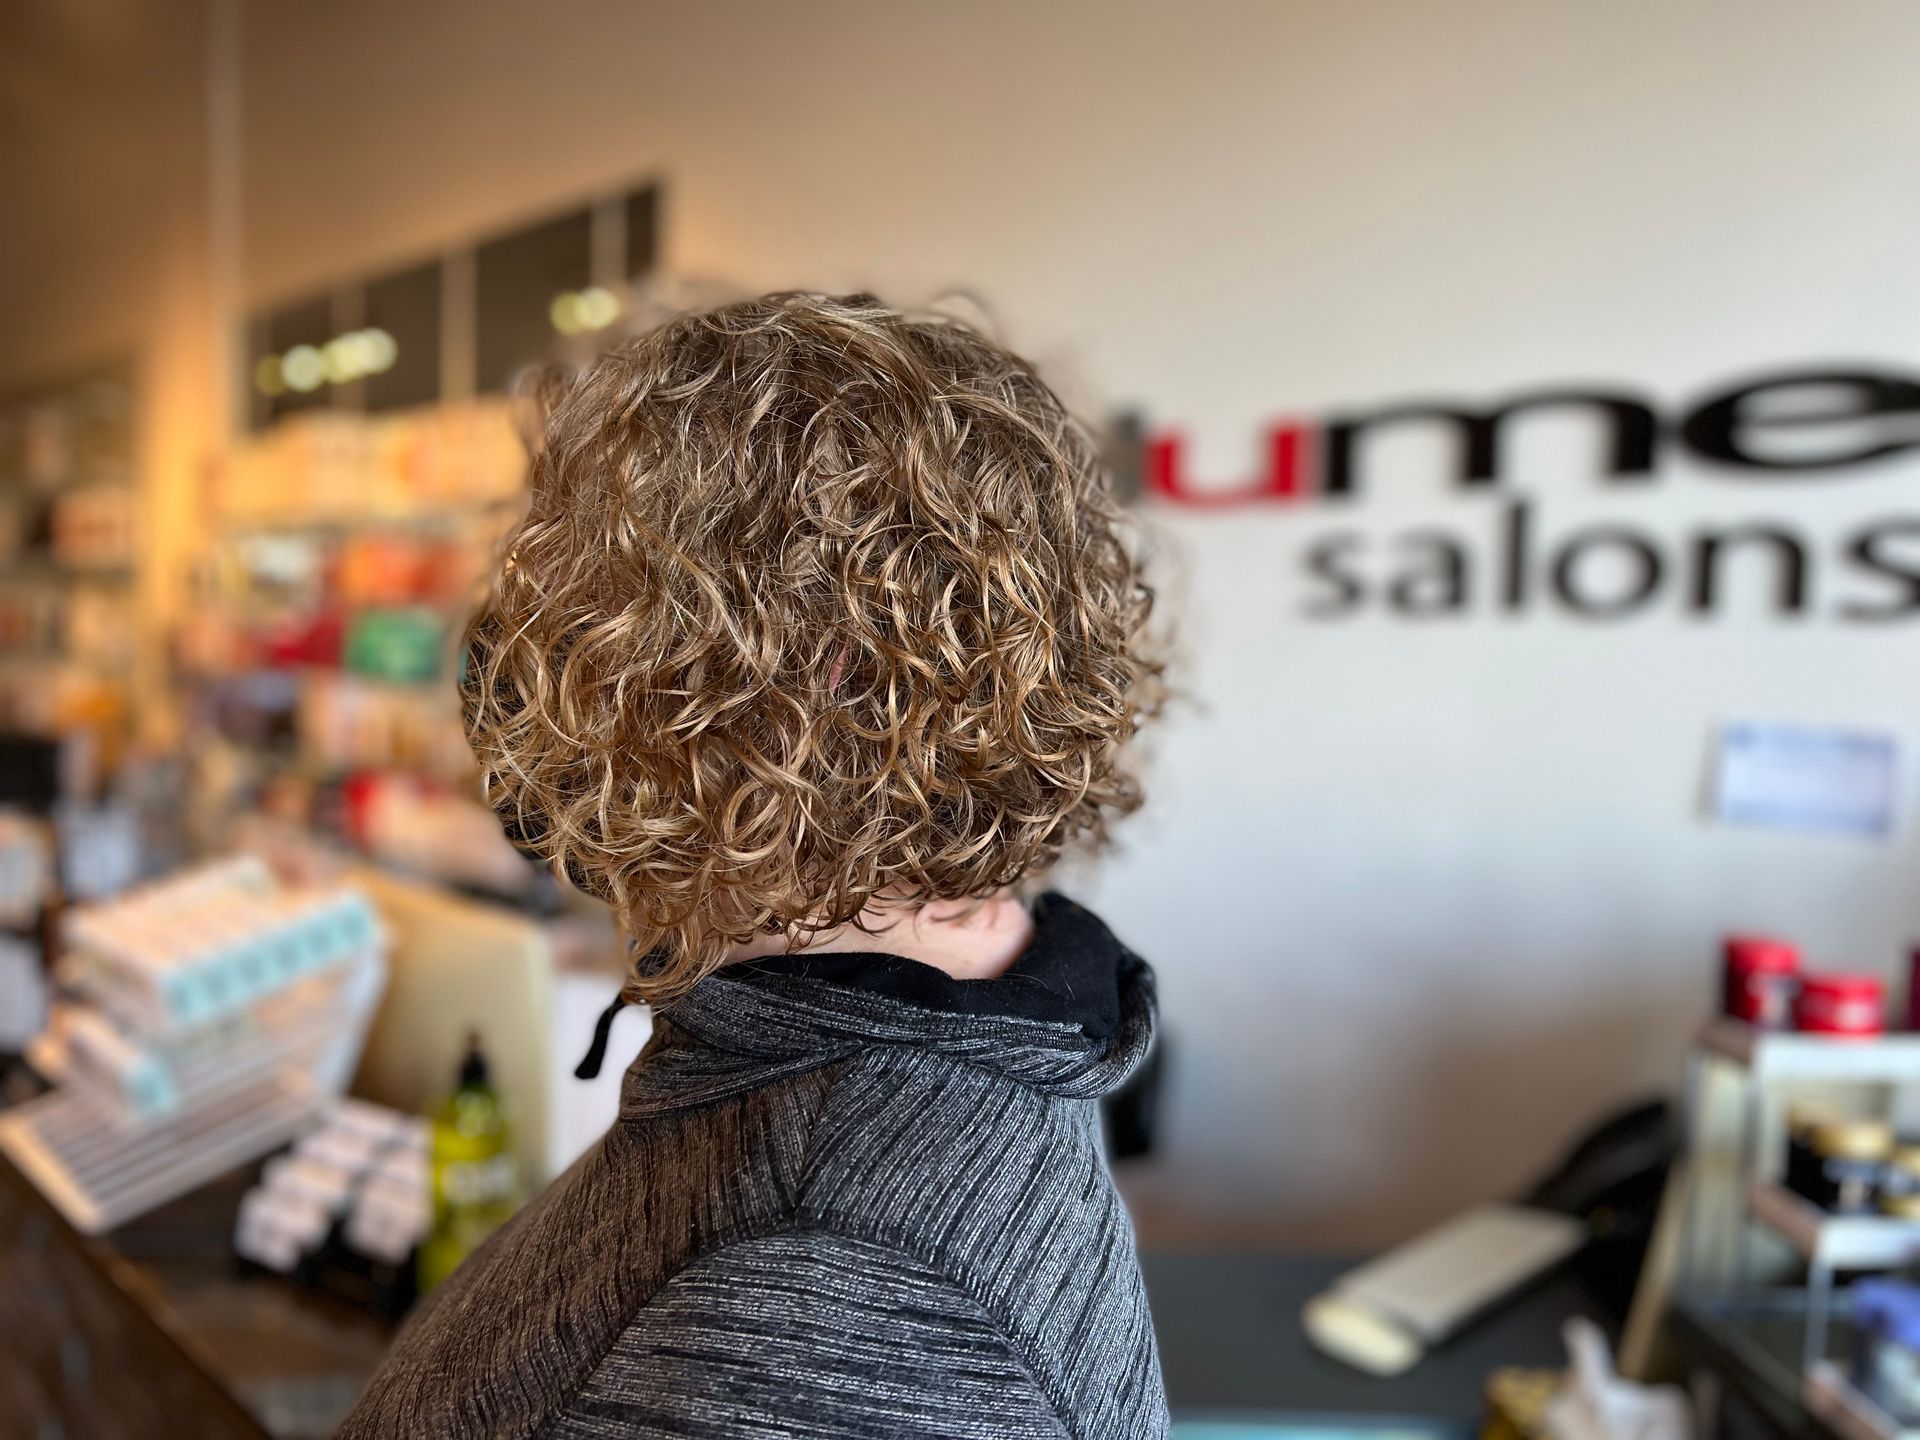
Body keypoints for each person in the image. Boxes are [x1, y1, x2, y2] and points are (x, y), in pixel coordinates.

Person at [338, 292, 1168, 1439]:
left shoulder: (843, 1294)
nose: (539, 683)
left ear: (792, 684)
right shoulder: (903, 1055)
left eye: (588, 617)